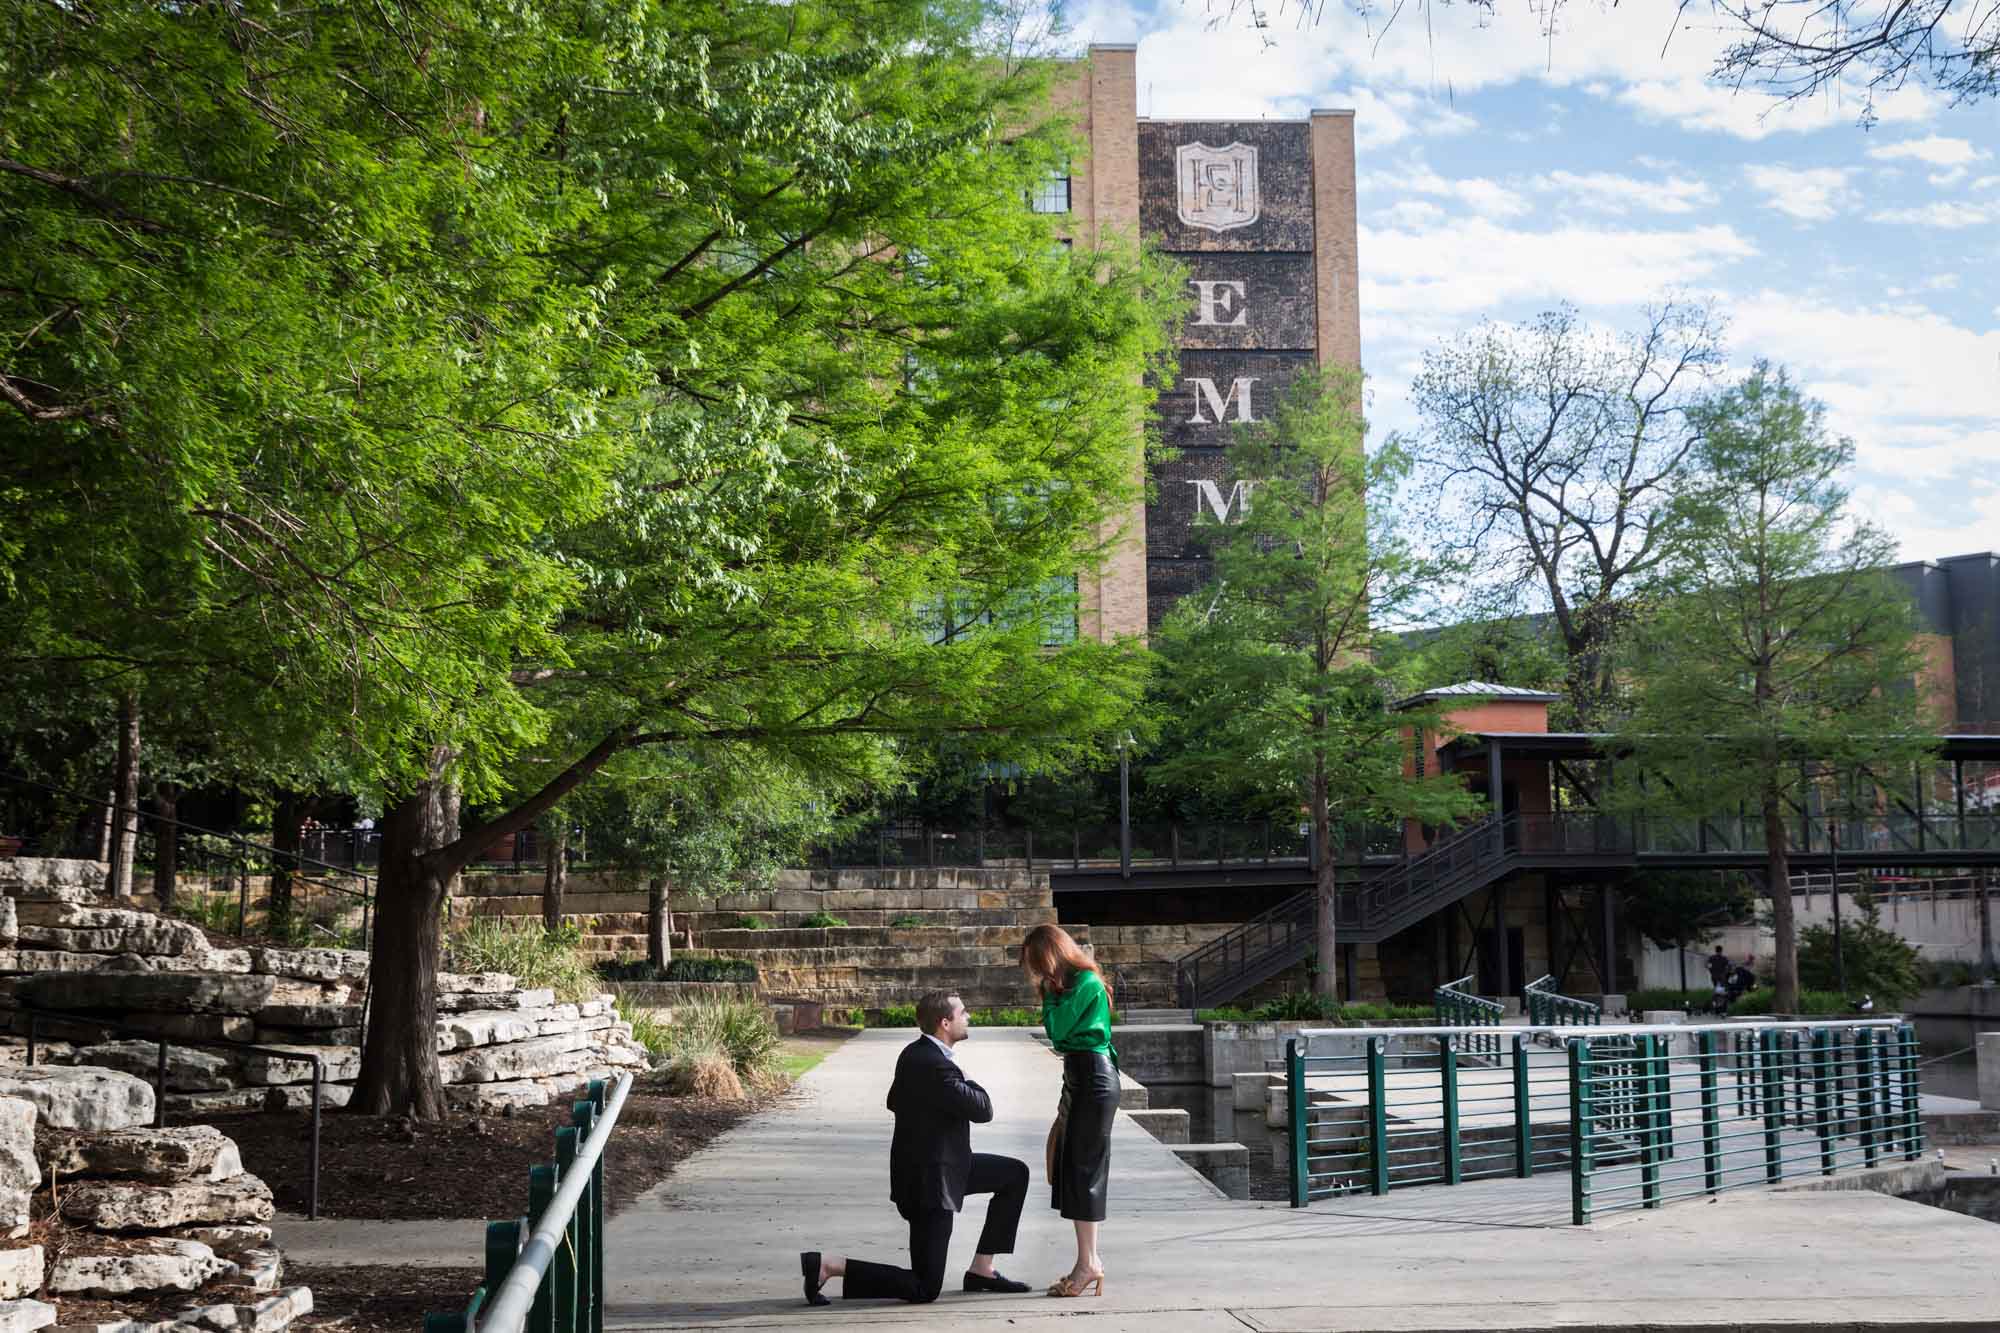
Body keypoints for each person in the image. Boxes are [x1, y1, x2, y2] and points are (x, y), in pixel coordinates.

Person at [799, 991, 1030, 1306]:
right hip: (930, 1187)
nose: (969, 1016)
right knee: (924, 1287)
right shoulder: (937, 1066)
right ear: (945, 1023)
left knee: (1014, 1174)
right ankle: (830, 1265)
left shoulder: (913, 1054)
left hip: (947, 1167)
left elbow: (894, 1100)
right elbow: (983, 1109)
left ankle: (982, 1269)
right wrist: (967, 1077)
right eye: (963, 1012)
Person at [1021, 923, 1116, 1299]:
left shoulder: (1086, 984)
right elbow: (1058, 1036)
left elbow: (1057, 1031)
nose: (1038, 972)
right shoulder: (1068, 987)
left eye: (1038, 962)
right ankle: (1087, 1260)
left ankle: (1089, 1263)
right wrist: (1052, 993)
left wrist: (1049, 994)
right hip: (1079, 1075)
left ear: (1053, 954)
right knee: (1070, 1165)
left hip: (1094, 1075)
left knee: (1084, 1169)